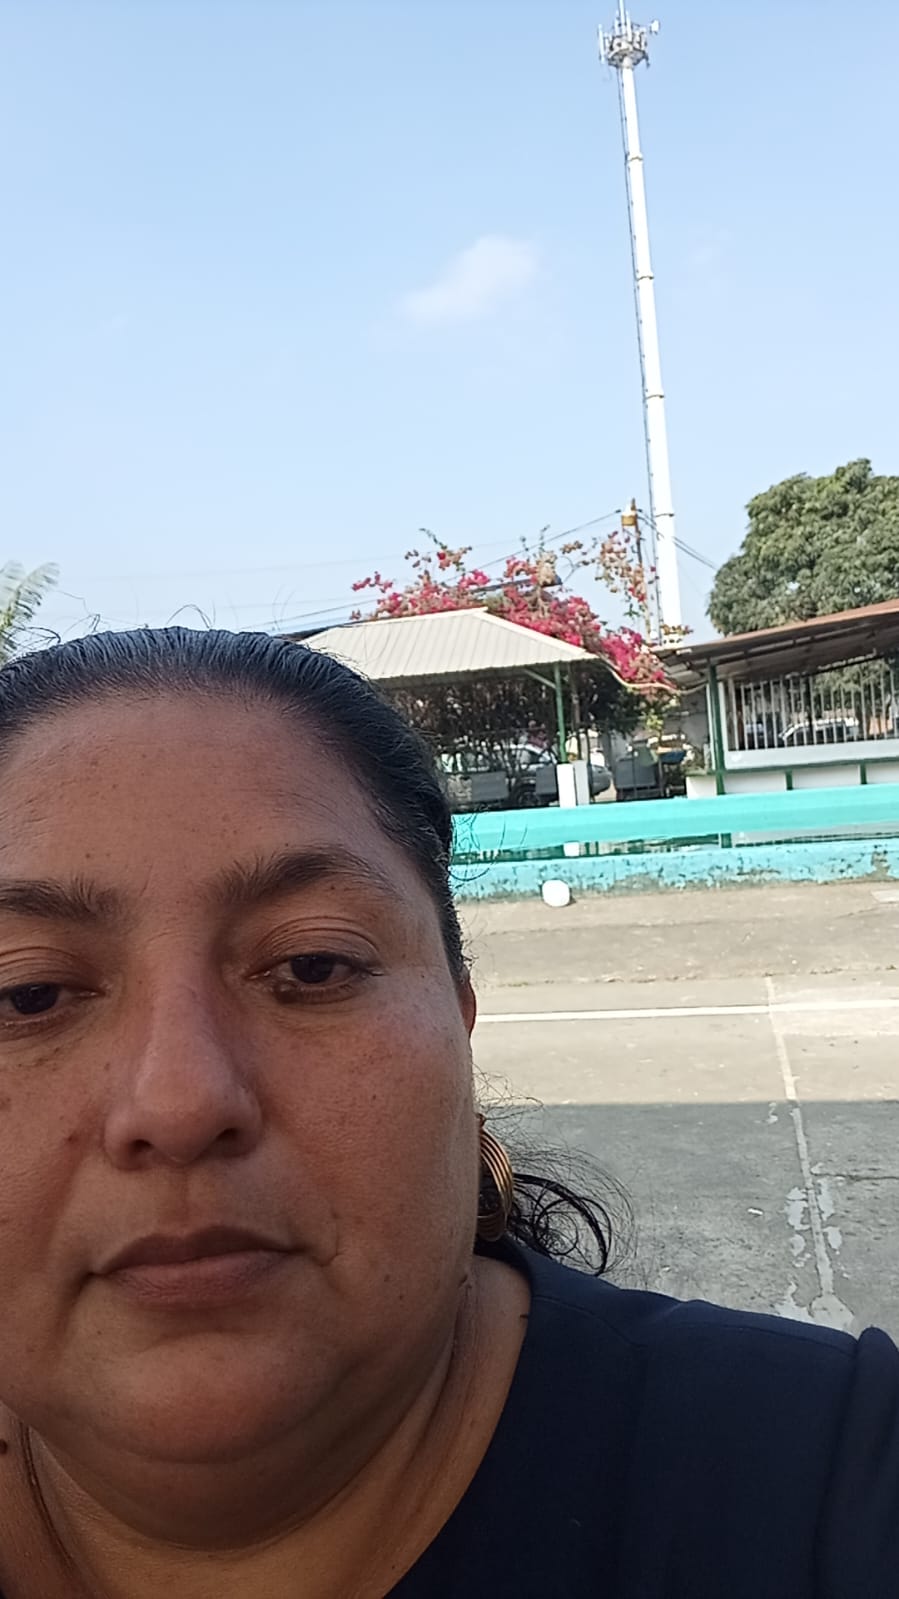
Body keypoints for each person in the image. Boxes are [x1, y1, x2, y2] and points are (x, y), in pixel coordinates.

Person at [0, 626, 893, 1599]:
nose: (179, 1104)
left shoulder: (826, 1483)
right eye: (27, 993)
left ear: (459, 1013)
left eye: (313, 964)